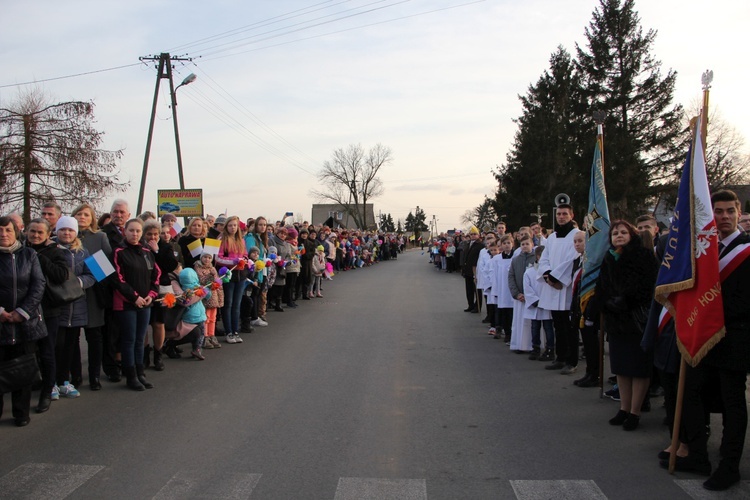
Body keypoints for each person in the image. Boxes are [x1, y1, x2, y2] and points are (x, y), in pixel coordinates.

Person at [673, 190, 750, 490]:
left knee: (733, 404)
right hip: (703, 336)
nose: (725, 217)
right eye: (718, 211)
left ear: (739, 212)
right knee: (693, 393)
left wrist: (712, 313)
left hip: (735, 337)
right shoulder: (705, 249)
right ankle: (698, 454)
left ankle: (729, 466)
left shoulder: (745, 250)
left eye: (730, 211)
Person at [590, 220, 657, 431]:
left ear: (632, 234)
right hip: (616, 321)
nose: (618, 235)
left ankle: (635, 412)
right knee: (621, 367)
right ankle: (624, 408)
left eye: (623, 232)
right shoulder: (609, 258)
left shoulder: (643, 255)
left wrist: (626, 301)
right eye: (615, 233)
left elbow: (648, 287)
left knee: (638, 368)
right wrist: (604, 303)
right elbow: (601, 286)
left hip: (637, 320)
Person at [0, 216, 47, 427]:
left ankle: (21, 412)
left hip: (25, 322)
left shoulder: (29, 255)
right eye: (0, 231)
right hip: (1, 321)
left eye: (8, 230)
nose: (4, 235)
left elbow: (38, 285)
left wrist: (22, 311)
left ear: (16, 232)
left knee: (24, 368)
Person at [111, 219, 160, 391]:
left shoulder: (147, 252)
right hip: (126, 304)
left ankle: (141, 373)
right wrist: (134, 297)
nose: (135, 234)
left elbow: (156, 275)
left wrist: (151, 296)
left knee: (140, 340)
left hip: (145, 303)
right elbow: (117, 279)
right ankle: (130, 376)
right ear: (125, 231)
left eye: (138, 231)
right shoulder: (118, 251)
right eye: (131, 230)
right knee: (129, 340)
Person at [26, 218, 69, 411]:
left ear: (47, 234)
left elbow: (61, 276)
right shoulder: (20, 251)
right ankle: (24, 392)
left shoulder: (55, 252)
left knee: (47, 351)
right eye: (32, 231)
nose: (35, 235)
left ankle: (47, 391)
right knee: (26, 354)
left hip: (48, 310)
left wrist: (39, 257)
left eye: (40, 233)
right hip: (24, 310)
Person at [54, 216, 95, 398]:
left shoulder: (84, 251)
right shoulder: (51, 250)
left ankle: (65, 381)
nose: (67, 233)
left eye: (70, 230)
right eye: (63, 229)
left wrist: (77, 282)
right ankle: (52, 382)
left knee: (70, 345)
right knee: (56, 345)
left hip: (77, 306)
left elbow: (93, 275)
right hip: (57, 306)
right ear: (57, 231)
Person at [537, 204, 581, 373]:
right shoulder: (553, 238)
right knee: (558, 325)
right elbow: (544, 258)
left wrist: (556, 278)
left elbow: (573, 258)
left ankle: (572, 361)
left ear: (571, 215)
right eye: (559, 214)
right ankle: (560, 357)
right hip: (553, 284)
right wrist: (548, 275)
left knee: (570, 327)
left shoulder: (575, 236)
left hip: (566, 286)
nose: (561, 217)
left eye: (565, 214)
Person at [73, 203, 111, 390]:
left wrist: (86, 272)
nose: (82, 217)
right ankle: (75, 376)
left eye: (86, 214)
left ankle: (94, 376)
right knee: (72, 340)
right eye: (79, 214)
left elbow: (105, 270)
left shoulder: (100, 237)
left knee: (94, 337)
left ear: (92, 218)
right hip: (71, 295)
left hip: (94, 293)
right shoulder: (65, 237)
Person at [143, 219, 179, 370]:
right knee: (144, 324)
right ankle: (144, 354)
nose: (152, 237)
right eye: (149, 234)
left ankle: (158, 353)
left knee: (158, 323)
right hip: (144, 288)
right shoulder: (140, 248)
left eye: (155, 234)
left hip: (161, 287)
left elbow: (171, 265)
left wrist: (156, 251)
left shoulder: (165, 247)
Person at [216, 216, 248, 344]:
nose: (233, 228)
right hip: (228, 275)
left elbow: (245, 254)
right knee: (228, 303)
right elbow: (218, 258)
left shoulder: (241, 240)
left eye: (235, 225)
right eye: (230, 225)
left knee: (237, 304)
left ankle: (235, 331)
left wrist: (245, 260)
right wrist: (232, 262)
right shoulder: (221, 239)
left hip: (241, 274)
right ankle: (228, 331)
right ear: (226, 227)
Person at [524, 245, 554, 360]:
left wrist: (546, 300)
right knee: (535, 328)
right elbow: (527, 288)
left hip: (547, 305)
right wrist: (536, 301)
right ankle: (535, 348)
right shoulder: (529, 272)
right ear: (537, 256)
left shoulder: (550, 272)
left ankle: (550, 349)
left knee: (548, 328)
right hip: (535, 305)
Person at [508, 235, 536, 352]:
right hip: (519, 297)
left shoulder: (536, 259)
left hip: (531, 298)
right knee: (519, 322)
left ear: (532, 245)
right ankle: (519, 345)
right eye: (522, 244)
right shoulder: (515, 260)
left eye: (527, 244)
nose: (525, 246)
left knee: (531, 324)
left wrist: (530, 295)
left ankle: (531, 345)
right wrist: (516, 293)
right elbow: (511, 276)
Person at [194, 252, 223, 349]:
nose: (207, 259)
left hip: (213, 296)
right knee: (205, 317)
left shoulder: (212, 268)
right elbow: (202, 280)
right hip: (205, 296)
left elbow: (218, 283)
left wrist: (220, 298)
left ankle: (212, 335)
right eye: (205, 257)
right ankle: (205, 336)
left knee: (213, 317)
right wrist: (211, 277)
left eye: (209, 258)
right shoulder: (198, 268)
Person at [462, 227, 483, 313]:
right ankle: (470, 305)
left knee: (476, 290)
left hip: (475, 270)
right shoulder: (468, 244)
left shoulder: (480, 245)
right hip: (468, 270)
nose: (473, 236)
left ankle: (477, 306)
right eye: (471, 234)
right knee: (469, 290)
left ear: (478, 235)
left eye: (475, 234)